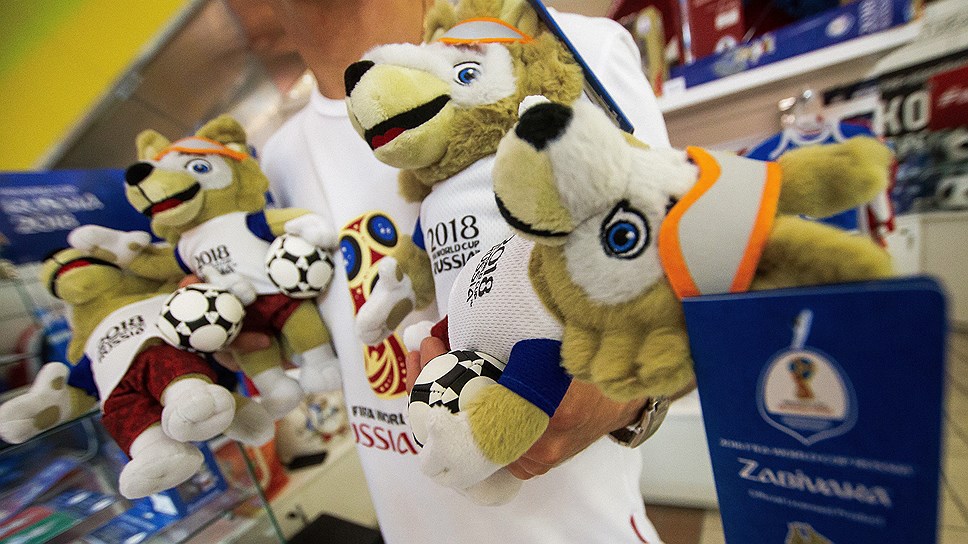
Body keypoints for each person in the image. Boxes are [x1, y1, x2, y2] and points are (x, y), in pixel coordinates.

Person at [259, 1, 674, 542]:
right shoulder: (279, 158)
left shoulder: (571, 52)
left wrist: (626, 397)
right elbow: (334, 346)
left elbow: (690, 297)